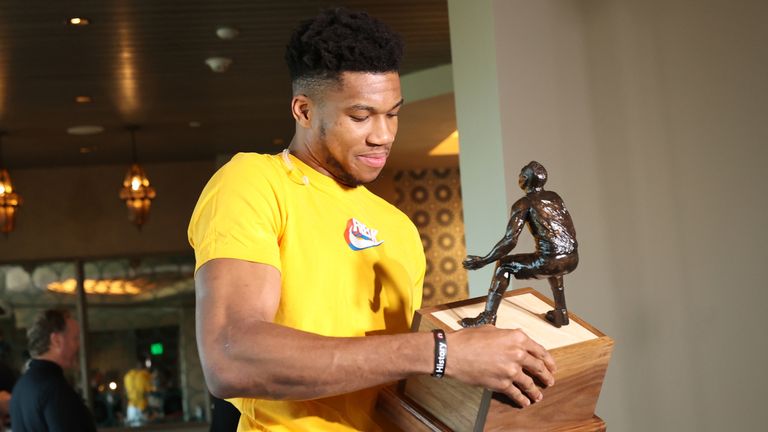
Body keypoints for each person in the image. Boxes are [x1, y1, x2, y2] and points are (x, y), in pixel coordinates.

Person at [188, 7, 557, 431]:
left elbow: (394, 384)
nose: (383, 135)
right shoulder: (254, 181)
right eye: (360, 116)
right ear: (304, 111)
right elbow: (230, 356)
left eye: (393, 113)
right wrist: (442, 353)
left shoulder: (397, 227)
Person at [462, 161, 579, 327]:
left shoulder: (523, 204)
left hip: (550, 262)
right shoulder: (555, 196)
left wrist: (484, 260)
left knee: (504, 265)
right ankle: (561, 313)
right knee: (556, 257)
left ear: (524, 179)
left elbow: (510, 240)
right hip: (572, 259)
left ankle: (488, 317)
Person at [9, 309, 96, 432]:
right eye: (75, 338)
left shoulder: (21, 386)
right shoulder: (55, 389)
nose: (79, 345)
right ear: (57, 341)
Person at [123, 358, 152, 426]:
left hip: (131, 405)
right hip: (142, 406)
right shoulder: (144, 376)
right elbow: (149, 390)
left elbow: (125, 391)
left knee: (133, 427)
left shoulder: (127, 376)